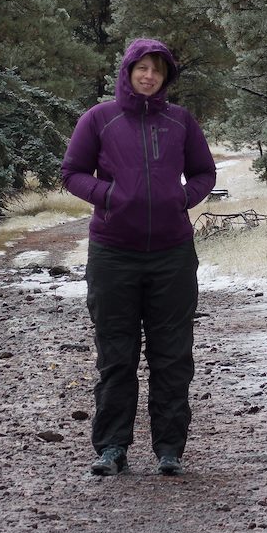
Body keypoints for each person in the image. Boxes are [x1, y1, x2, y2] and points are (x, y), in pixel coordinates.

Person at [61, 37, 217, 478]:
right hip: (113, 254)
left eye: (158, 70)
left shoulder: (180, 121)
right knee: (116, 355)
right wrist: (109, 195)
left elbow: (205, 171)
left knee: (172, 355)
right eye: (141, 68)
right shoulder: (100, 119)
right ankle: (112, 447)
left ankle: (170, 448)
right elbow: (71, 172)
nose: (149, 76)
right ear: (127, 70)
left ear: (166, 78)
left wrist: (181, 198)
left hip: (172, 255)